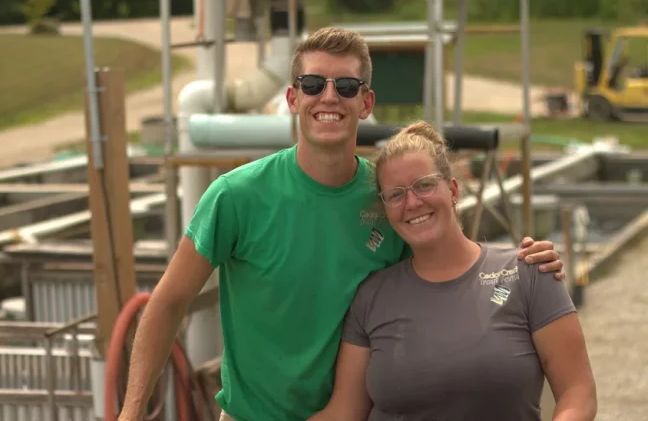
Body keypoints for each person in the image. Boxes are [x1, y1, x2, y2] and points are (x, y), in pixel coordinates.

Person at [118, 27, 566, 421]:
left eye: (346, 86)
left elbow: (452, 271)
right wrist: (131, 412)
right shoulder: (236, 196)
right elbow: (168, 302)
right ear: (292, 99)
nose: (329, 97)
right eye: (313, 84)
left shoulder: (390, 198)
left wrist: (522, 266)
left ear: (366, 102)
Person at [309, 121, 597, 421]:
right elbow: (344, 412)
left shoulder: (528, 272)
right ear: (386, 210)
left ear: (453, 190)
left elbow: (578, 393)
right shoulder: (371, 297)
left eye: (424, 185)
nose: (412, 203)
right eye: (395, 194)